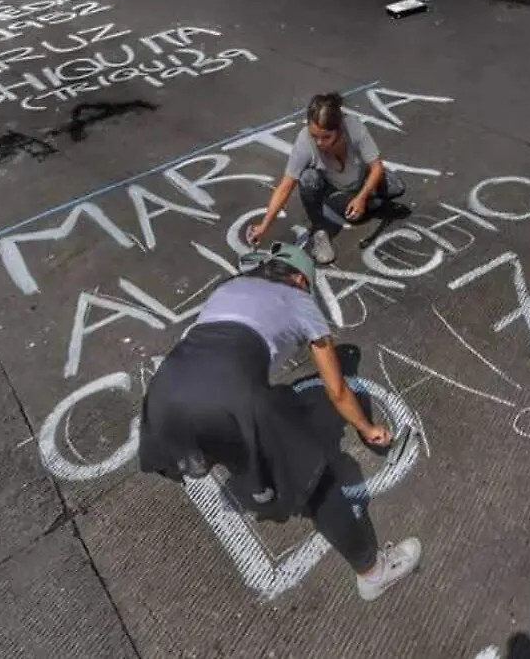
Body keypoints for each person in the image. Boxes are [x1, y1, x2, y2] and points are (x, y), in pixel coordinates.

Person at [137, 241, 421, 601]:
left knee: (249, 416)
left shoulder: (228, 287)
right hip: (230, 396)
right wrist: (366, 428)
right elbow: (336, 390)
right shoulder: (301, 301)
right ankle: (373, 572)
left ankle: (243, 469)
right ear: (302, 279)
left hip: (164, 391)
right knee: (321, 480)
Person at [248, 92, 406, 264]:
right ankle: (320, 230)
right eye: (315, 136)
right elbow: (285, 186)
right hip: (333, 185)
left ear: (339, 129)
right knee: (308, 178)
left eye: (326, 137)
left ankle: (366, 199)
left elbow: (377, 167)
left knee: (396, 187)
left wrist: (362, 197)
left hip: (361, 178)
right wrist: (264, 226)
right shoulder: (304, 142)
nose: (319, 143)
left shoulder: (354, 128)